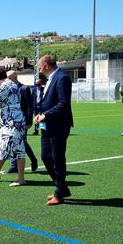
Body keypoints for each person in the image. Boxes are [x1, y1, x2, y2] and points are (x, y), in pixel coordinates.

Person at [35, 55, 74, 206]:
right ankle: (62, 187)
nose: (38, 68)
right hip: (47, 124)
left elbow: (63, 103)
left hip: (59, 125)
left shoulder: (62, 78)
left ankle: (59, 192)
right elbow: (48, 101)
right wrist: (40, 115)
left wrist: (46, 115)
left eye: (39, 65)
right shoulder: (50, 78)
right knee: (45, 156)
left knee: (58, 159)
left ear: (46, 65)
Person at [4, 70, 38, 173]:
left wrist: (29, 121)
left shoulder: (24, 88)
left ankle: (33, 160)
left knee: (22, 142)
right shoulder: (9, 89)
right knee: (12, 141)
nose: (7, 80)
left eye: (9, 78)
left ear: (15, 77)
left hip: (22, 121)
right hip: (11, 120)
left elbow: (29, 106)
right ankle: (14, 165)